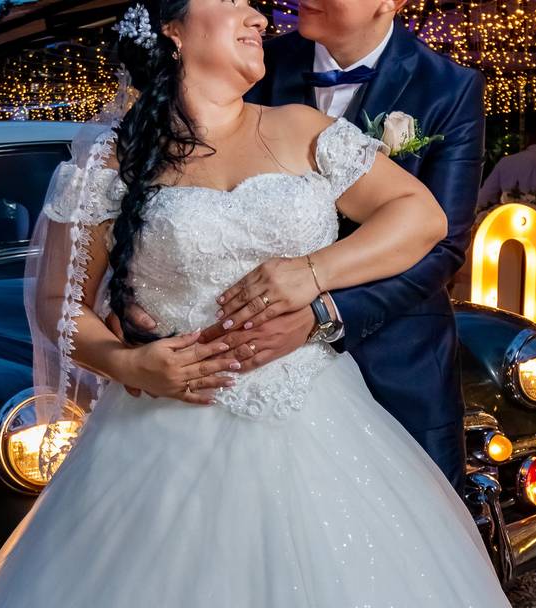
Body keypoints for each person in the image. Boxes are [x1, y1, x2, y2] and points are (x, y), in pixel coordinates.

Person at [0, 1, 527, 608]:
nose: (259, 15)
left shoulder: (301, 124)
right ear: (171, 30)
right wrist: (128, 361)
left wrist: (313, 275)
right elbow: (56, 303)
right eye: (234, 1)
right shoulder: (110, 161)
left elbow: (424, 218)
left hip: (317, 415)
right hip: (159, 434)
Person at [121, 0, 485, 497]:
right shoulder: (252, 62)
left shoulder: (449, 86)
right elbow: (167, 200)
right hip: (219, 378)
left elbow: (441, 242)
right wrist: (136, 294)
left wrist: (321, 308)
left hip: (398, 358)